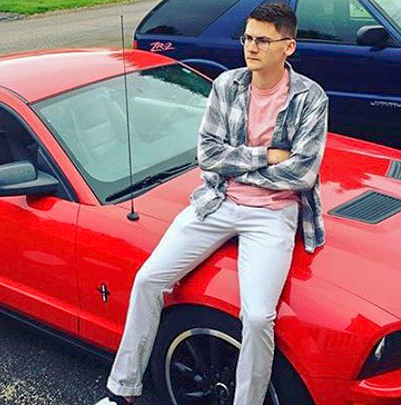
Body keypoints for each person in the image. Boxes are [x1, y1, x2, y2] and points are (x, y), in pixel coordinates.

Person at [96, 3, 328, 404]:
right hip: (217, 201)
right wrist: (266, 156)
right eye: (247, 38)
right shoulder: (227, 85)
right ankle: (123, 390)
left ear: (288, 46)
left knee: (258, 318)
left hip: (273, 214)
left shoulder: (310, 98)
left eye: (262, 40)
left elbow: (302, 173)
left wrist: (240, 163)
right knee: (148, 280)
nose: (251, 47)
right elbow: (208, 155)